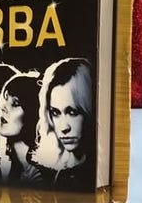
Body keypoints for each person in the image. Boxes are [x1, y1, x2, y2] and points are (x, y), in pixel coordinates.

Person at [29, 58, 93, 191]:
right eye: (55, 113)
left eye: (72, 112)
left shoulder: (97, 173)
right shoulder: (45, 175)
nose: (64, 128)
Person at [0, 72, 42, 186]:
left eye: (15, 103)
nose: (3, 108)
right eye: (5, 99)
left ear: (32, 113)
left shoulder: (42, 176)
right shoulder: (10, 169)